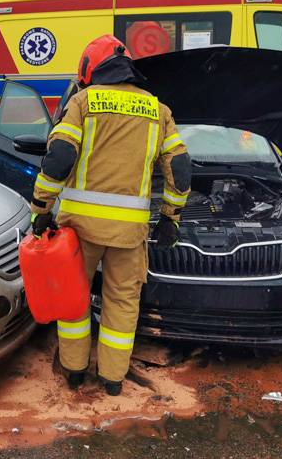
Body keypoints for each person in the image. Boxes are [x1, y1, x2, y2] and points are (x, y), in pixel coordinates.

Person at [29, 35, 191, 396]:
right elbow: (179, 167)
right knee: (122, 304)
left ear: (90, 69)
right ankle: (113, 379)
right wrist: (171, 217)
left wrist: (41, 209)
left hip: (78, 231)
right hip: (129, 234)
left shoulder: (83, 102)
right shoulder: (158, 110)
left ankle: (74, 371)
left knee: (74, 299)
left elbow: (59, 158)